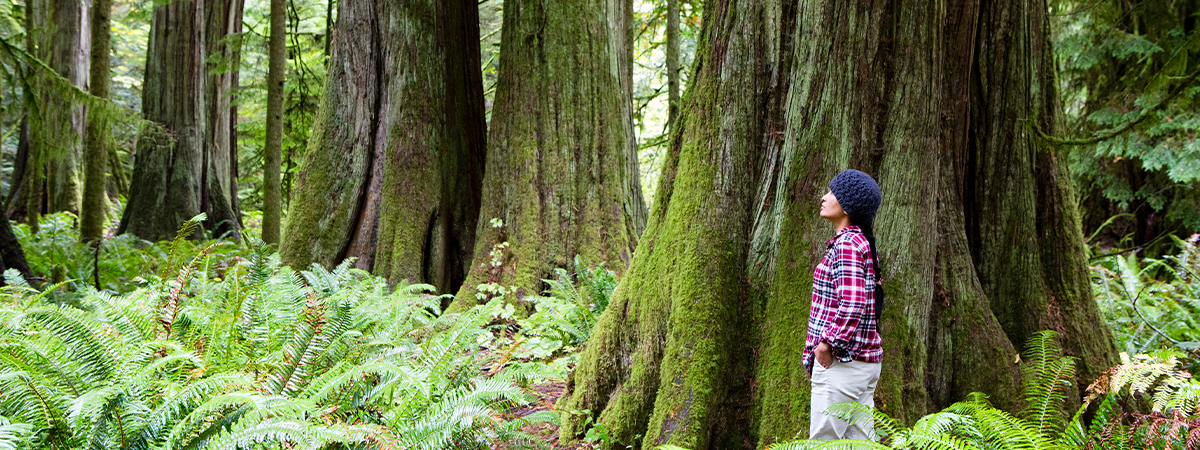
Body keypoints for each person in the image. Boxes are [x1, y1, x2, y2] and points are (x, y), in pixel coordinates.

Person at [804, 169, 884, 441]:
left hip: (842, 364)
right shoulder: (859, 242)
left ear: (848, 205)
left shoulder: (847, 245)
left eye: (832, 193)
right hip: (863, 364)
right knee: (859, 444)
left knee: (825, 444)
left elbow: (852, 304)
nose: (824, 197)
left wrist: (827, 344)